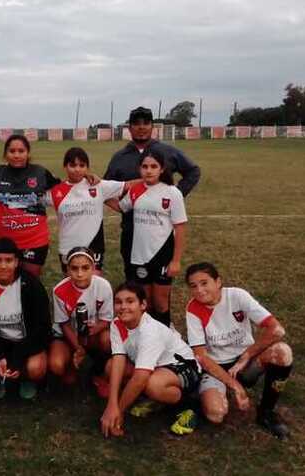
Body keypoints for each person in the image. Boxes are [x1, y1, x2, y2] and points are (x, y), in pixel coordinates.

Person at [184, 262, 293, 439]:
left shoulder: (237, 296)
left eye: (204, 283)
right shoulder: (193, 309)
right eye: (193, 286)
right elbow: (201, 356)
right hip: (216, 367)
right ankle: (207, 393)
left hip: (245, 362)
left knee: (282, 352)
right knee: (215, 414)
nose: (199, 290)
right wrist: (235, 386)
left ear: (218, 282)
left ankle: (266, 412)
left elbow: (276, 329)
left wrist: (246, 356)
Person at [103, 106, 200, 280]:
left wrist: (175, 194)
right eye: (136, 123)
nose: (141, 127)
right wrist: (121, 207)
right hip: (131, 229)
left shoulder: (167, 151)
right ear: (130, 127)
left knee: (160, 284)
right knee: (134, 280)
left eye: (146, 123)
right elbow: (107, 187)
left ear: (152, 126)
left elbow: (193, 171)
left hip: (160, 231)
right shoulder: (119, 157)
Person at [100, 281, 201, 438]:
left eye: (130, 301)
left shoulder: (150, 331)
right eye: (118, 302)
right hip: (156, 368)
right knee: (110, 367)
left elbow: (140, 377)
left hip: (184, 366)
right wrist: (111, 404)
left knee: (152, 384)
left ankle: (189, 406)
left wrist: (118, 412)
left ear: (143, 305)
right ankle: (156, 400)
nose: (123, 306)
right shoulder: (117, 324)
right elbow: (119, 359)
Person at [0, 237, 51, 400]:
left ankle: (26, 379)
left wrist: (18, 358)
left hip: (26, 342)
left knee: (36, 368)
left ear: (17, 262)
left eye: (8, 260)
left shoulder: (32, 285)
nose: (3, 265)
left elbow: (42, 327)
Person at [117, 150, 187, 327]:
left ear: (162, 169)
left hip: (163, 255)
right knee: (145, 302)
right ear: (139, 168)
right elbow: (120, 207)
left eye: (154, 166)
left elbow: (180, 228)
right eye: (145, 166)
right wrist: (98, 196)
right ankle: (146, 338)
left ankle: (166, 335)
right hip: (139, 256)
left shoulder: (172, 192)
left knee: (161, 303)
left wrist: (176, 261)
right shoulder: (136, 190)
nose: (149, 170)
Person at [0, 135, 61, 277]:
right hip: (6, 242)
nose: (16, 155)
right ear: (5, 154)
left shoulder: (40, 173)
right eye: (12, 151)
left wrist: (87, 178)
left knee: (29, 283)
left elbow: (65, 186)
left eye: (21, 151)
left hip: (35, 240)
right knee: (5, 281)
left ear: (28, 153)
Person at [47, 147, 132, 273]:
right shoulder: (55, 191)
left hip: (94, 246)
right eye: (72, 165)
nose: (77, 169)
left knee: (94, 285)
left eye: (82, 165)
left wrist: (156, 181)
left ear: (87, 167)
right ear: (65, 166)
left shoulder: (98, 185)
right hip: (68, 247)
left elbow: (128, 185)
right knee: (72, 287)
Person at [48, 247, 113, 394]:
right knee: (57, 366)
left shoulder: (103, 286)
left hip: (93, 333)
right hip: (68, 335)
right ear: (67, 270)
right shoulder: (59, 290)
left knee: (107, 340)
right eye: (74, 268)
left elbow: (106, 319)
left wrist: (95, 328)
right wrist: (78, 347)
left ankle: (101, 370)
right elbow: (63, 323)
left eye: (85, 268)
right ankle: (72, 363)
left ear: (93, 268)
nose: (79, 273)